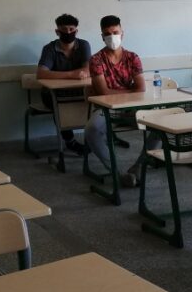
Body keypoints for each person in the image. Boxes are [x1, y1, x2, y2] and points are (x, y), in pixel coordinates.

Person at [84, 15, 146, 187]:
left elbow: (141, 88)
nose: (112, 37)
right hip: (106, 108)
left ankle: (138, 168)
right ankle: (118, 173)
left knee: (159, 126)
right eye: (107, 34)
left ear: (122, 33)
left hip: (131, 107)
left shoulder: (132, 57)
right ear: (102, 37)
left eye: (115, 32)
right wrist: (130, 91)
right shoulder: (96, 60)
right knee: (91, 130)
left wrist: (122, 93)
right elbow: (104, 93)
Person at [36, 13, 92, 155]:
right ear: (57, 31)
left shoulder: (84, 45)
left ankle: (96, 139)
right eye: (64, 29)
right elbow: (41, 74)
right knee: (59, 105)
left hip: (78, 91)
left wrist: (56, 74)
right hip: (52, 94)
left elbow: (88, 70)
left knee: (94, 102)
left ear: (76, 31)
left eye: (71, 29)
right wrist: (72, 74)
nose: (68, 32)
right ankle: (70, 141)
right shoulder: (49, 48)